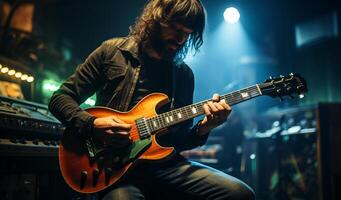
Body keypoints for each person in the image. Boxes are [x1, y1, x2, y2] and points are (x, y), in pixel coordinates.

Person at [49, 0, 255, 199]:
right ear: (157, 18)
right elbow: (60, 98)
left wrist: (206, 127)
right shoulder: (112, 52)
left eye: (187, 34)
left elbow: (180, 140)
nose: (180, 39)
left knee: (240, 193)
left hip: (164, 167)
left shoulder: (183, 74)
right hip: (111, 167)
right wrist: (92, 124)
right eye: (175, 29)